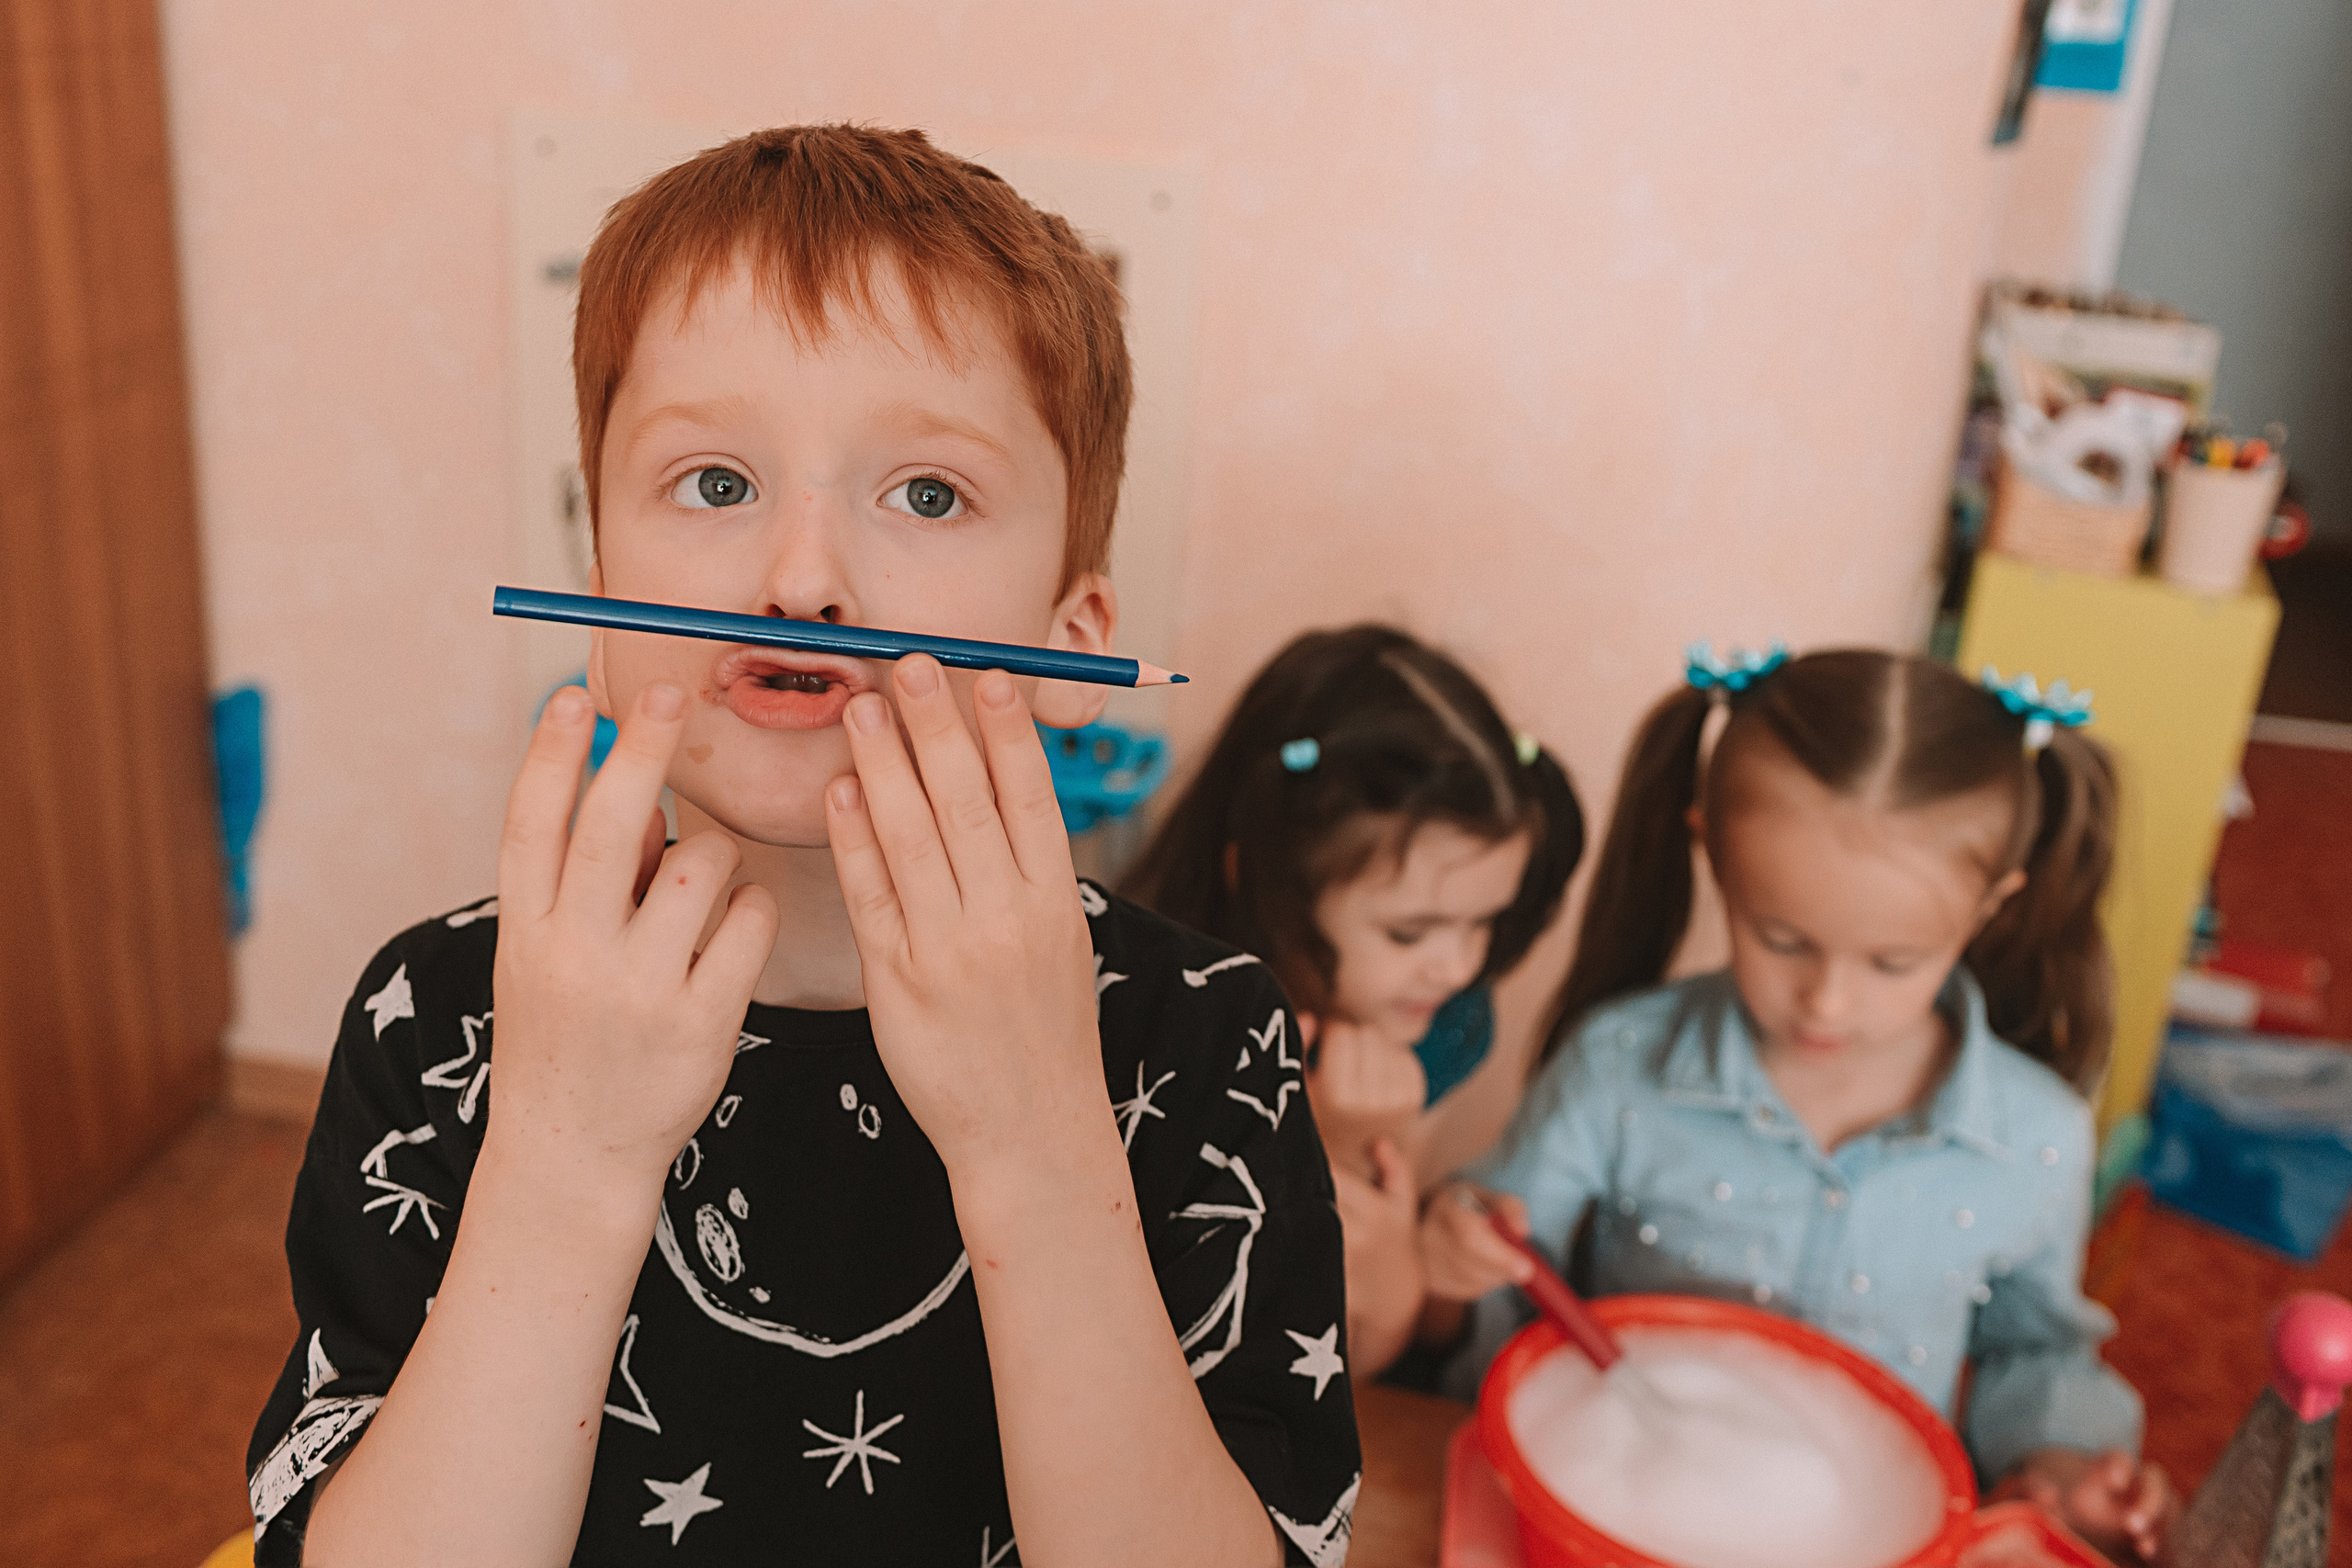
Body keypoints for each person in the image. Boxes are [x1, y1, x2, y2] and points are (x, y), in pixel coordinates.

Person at [247, 125, 1360, 1568]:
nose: (802, 580)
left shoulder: (1212, 1039)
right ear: (601, 594)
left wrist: (1032, 1132)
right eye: (716, 484)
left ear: (1074, 644)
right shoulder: (441, 1013)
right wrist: (569, 1155)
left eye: (929, 493)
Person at [1417, 645, 2180, 1563]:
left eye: (1890, 962)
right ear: (1716, 859)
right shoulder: (1619, 1067)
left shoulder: (2035, 1138)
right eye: (1779, 939)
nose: (1825, 1001)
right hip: (1619, 1520)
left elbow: (2035, 1353)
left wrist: (2059, 1471)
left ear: (1989, 907)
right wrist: (1457, 1248)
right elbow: (1500, 1271)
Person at [1123, 625, 1581, 1377]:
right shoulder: (1153, 1024)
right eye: (1410, 932)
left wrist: (1412, 1221)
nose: (1459, 966)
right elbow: (1201, 1334)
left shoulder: (1443, 1024)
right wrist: (1324, 1146)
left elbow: (1360, 1344)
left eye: (1484, 921)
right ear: (1268, 883)